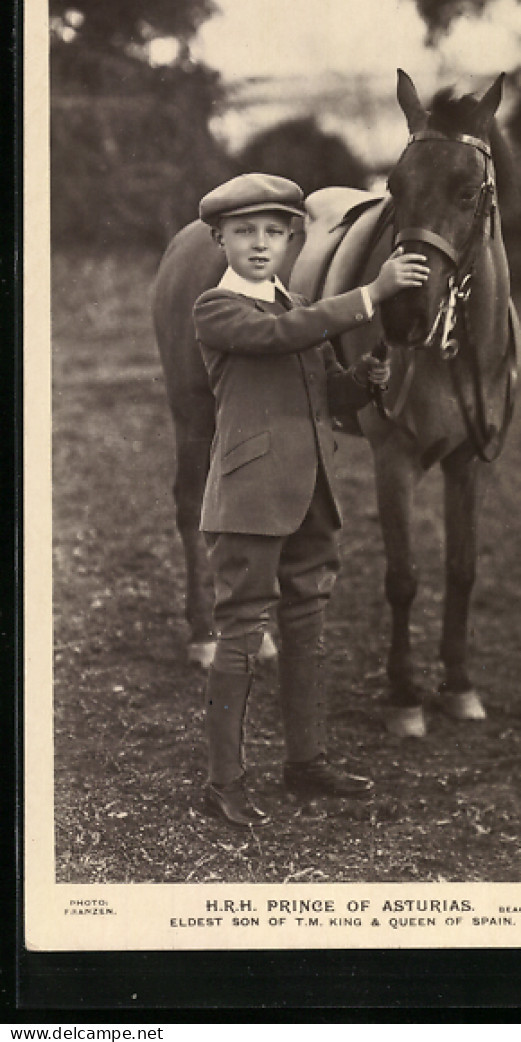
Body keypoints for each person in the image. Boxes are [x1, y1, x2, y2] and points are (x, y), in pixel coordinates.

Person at [192, 173, 428, 827]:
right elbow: (282, 337)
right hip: (248, 499)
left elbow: (330, 390)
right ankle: (223, 782)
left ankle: (306, 763)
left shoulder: (294, 304)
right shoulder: (217, 308)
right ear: (220, 239)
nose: (260, 244)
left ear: (293, 238)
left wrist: (364, 379)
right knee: (240, 637)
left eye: (274, 231)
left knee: (308, 631)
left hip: (311, 495)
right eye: (244, 232)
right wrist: (371, 294)